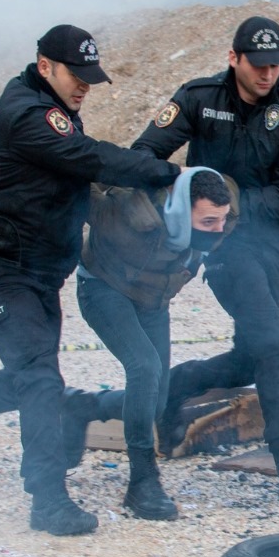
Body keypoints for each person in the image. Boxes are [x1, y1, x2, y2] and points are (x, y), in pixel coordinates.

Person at [0, 25, 180, 537]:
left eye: (90, 79)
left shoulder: (54, 111)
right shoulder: (27, 112)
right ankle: (47, 498)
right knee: (39, 378)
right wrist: (162, 173)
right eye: (76, 76)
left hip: (37, 276)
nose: (84, 87)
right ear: (45, 64)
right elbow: (88, 159)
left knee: (32, 380)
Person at [133, 15, 279, 506]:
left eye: (275, 65)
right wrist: (188, 196)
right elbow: (144, 154)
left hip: (267, 243)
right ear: (234, 59)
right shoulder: (201, 97)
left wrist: (233, 202)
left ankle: (171, 390)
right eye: (258, 64)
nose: (268, 74)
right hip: (220, 245)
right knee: (272, 349)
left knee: (251, 355)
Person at [76, 167, 233, 521]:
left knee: (157, 397)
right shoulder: (132, 213)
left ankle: (84, 409)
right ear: (182, 212)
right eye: (208, 222)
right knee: (144, 369)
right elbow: (82, 187)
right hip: (103, 289)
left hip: (152, 300)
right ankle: (142, 482)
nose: (218, 230)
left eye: (222, 221)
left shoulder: (224, 212)